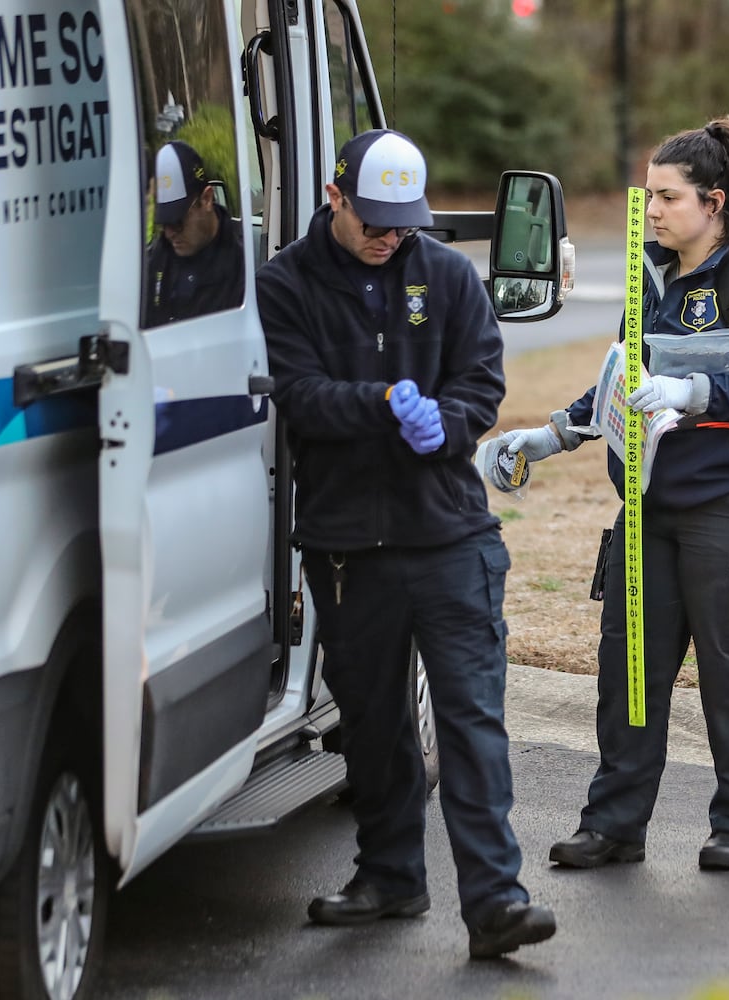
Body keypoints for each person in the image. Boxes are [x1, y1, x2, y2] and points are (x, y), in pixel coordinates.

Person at [256, 128, 555, 960]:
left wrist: (447, 425)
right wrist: (384, 403)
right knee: (374, 724)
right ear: (334, 197)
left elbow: (480, 386)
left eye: (403, 223)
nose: (390, 237)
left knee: (468, 719)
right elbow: (300, 396)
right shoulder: (286, 283)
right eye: (374, 220)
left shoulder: (449, 276)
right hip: (347, 544)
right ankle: (389, 877)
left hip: (448, 534)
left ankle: (496, 900)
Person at [500, 116, 729, 872]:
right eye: (648, 197)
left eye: (667, 198)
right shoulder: (647, 281)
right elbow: (620, 378)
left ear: (713, 202)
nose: (653, 211)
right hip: (646, 508)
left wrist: (694, 387)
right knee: (627, 671)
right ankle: (613, 825)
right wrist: (556, 432)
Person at [145, 140, 245, 325]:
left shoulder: (241, 266)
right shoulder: (157, 256)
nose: (169, 234)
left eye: (176, 222)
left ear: (207, 199)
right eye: (164, 223)